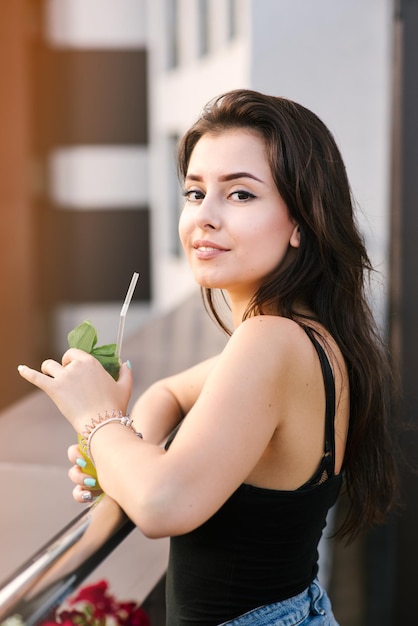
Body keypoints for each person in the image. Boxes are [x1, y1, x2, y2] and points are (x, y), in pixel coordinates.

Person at [18, 89, 399, 625]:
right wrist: (121, 454)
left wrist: (94, 418)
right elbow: (168, 392)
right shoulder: (314, 334)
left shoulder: (269, 340)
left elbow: (161, 505)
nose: (206, 217)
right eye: (195, 193)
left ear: (300, 221)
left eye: (240, 195)